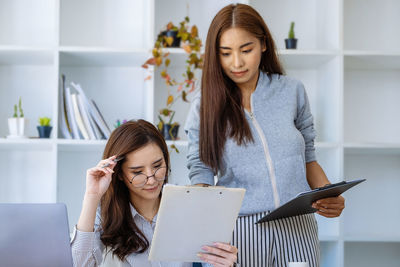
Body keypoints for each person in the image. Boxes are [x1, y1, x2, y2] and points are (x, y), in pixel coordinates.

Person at [184, 4, 345, 267]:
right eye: (225, 53)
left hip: (298, 225)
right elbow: (201, 169)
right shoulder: (205, 105)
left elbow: (309, 158)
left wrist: (330, 196)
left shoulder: (292, 91)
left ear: (263, 44)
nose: (236, 62)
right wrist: (201, 219)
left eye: (246, 50)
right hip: (242, 229)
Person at [71, 120, 238, 267]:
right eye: (137, 172)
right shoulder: (105, 214)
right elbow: (79, 265)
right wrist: (91, 196)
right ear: (120, 174)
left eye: (158, 166)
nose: (151, 180)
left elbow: (209, 262)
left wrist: (223, 264)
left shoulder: (189, 205)